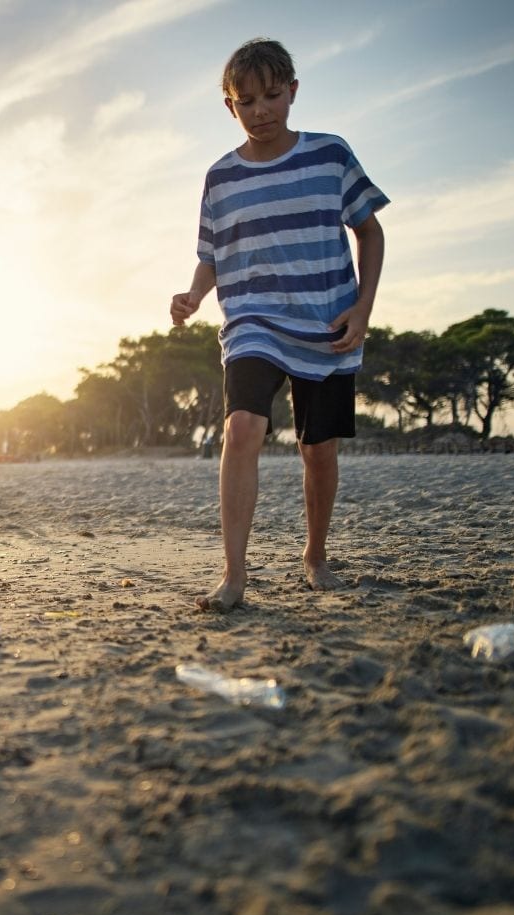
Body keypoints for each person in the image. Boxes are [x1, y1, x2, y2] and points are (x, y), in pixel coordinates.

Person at [170, 38, 387, 612]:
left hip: (326, 323)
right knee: (243, 428)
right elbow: (211, 256)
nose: (261, 111)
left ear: (292, 91)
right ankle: (234, 574)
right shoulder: (220, 178)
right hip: (252, 322)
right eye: (247, 101)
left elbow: (370, 231)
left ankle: (315, 556)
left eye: (272, 96)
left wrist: (362, 307)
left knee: (318, 450)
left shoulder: (330, 155)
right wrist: (193, 295)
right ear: (229, 106)